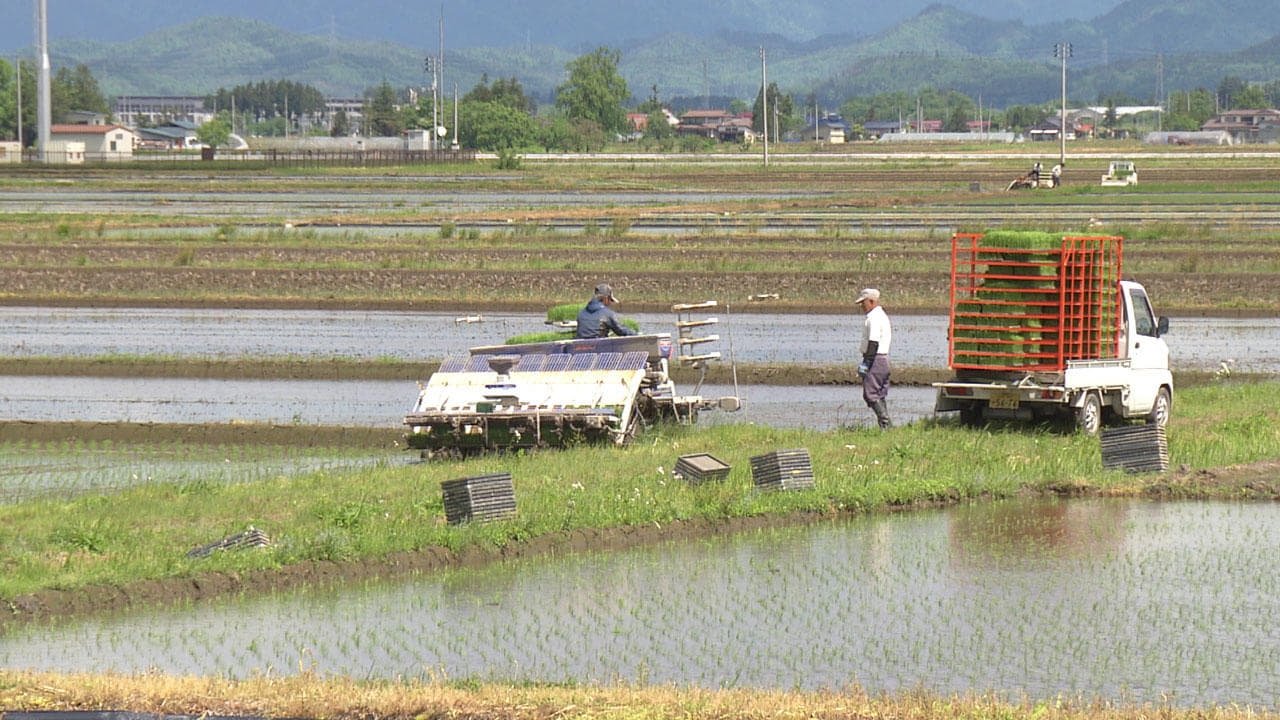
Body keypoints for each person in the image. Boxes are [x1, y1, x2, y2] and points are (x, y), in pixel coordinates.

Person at [855, 287, 892, 429]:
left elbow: (873, 342)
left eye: (863, 303)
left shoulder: (874, 318)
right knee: (879, 393)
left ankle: (885, 424)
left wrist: (867, 362)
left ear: (871, 301)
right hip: (883, 359)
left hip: (876, 359)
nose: (861, 306)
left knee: (870, 393)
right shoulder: (882, 315)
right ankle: (886, 426)